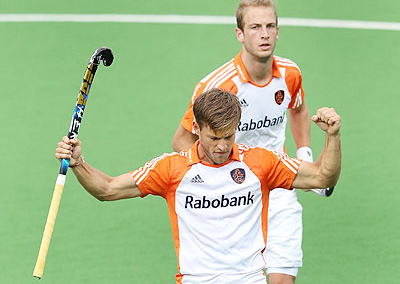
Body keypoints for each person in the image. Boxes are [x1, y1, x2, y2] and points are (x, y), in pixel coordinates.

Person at [56, 88, 341, 284]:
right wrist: (79, 163)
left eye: (228, 136)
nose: (222, 146)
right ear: (197, 128)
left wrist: (332, 137)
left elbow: (321, 177)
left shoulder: (260, 163)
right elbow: (107, 189)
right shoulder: (171, 168)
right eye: (214, 137)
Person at [171, 0, 333, 283]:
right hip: (236, 194)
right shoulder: (218, 85)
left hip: (278, 184)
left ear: (278, 30)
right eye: (256, 27)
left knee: (283, 278)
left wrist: (304, 154)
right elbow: (182, 140)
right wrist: (215, 180)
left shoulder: (289, 74)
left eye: (270, 26)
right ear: (240, 34)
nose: (265, 35)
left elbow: (297, 108)